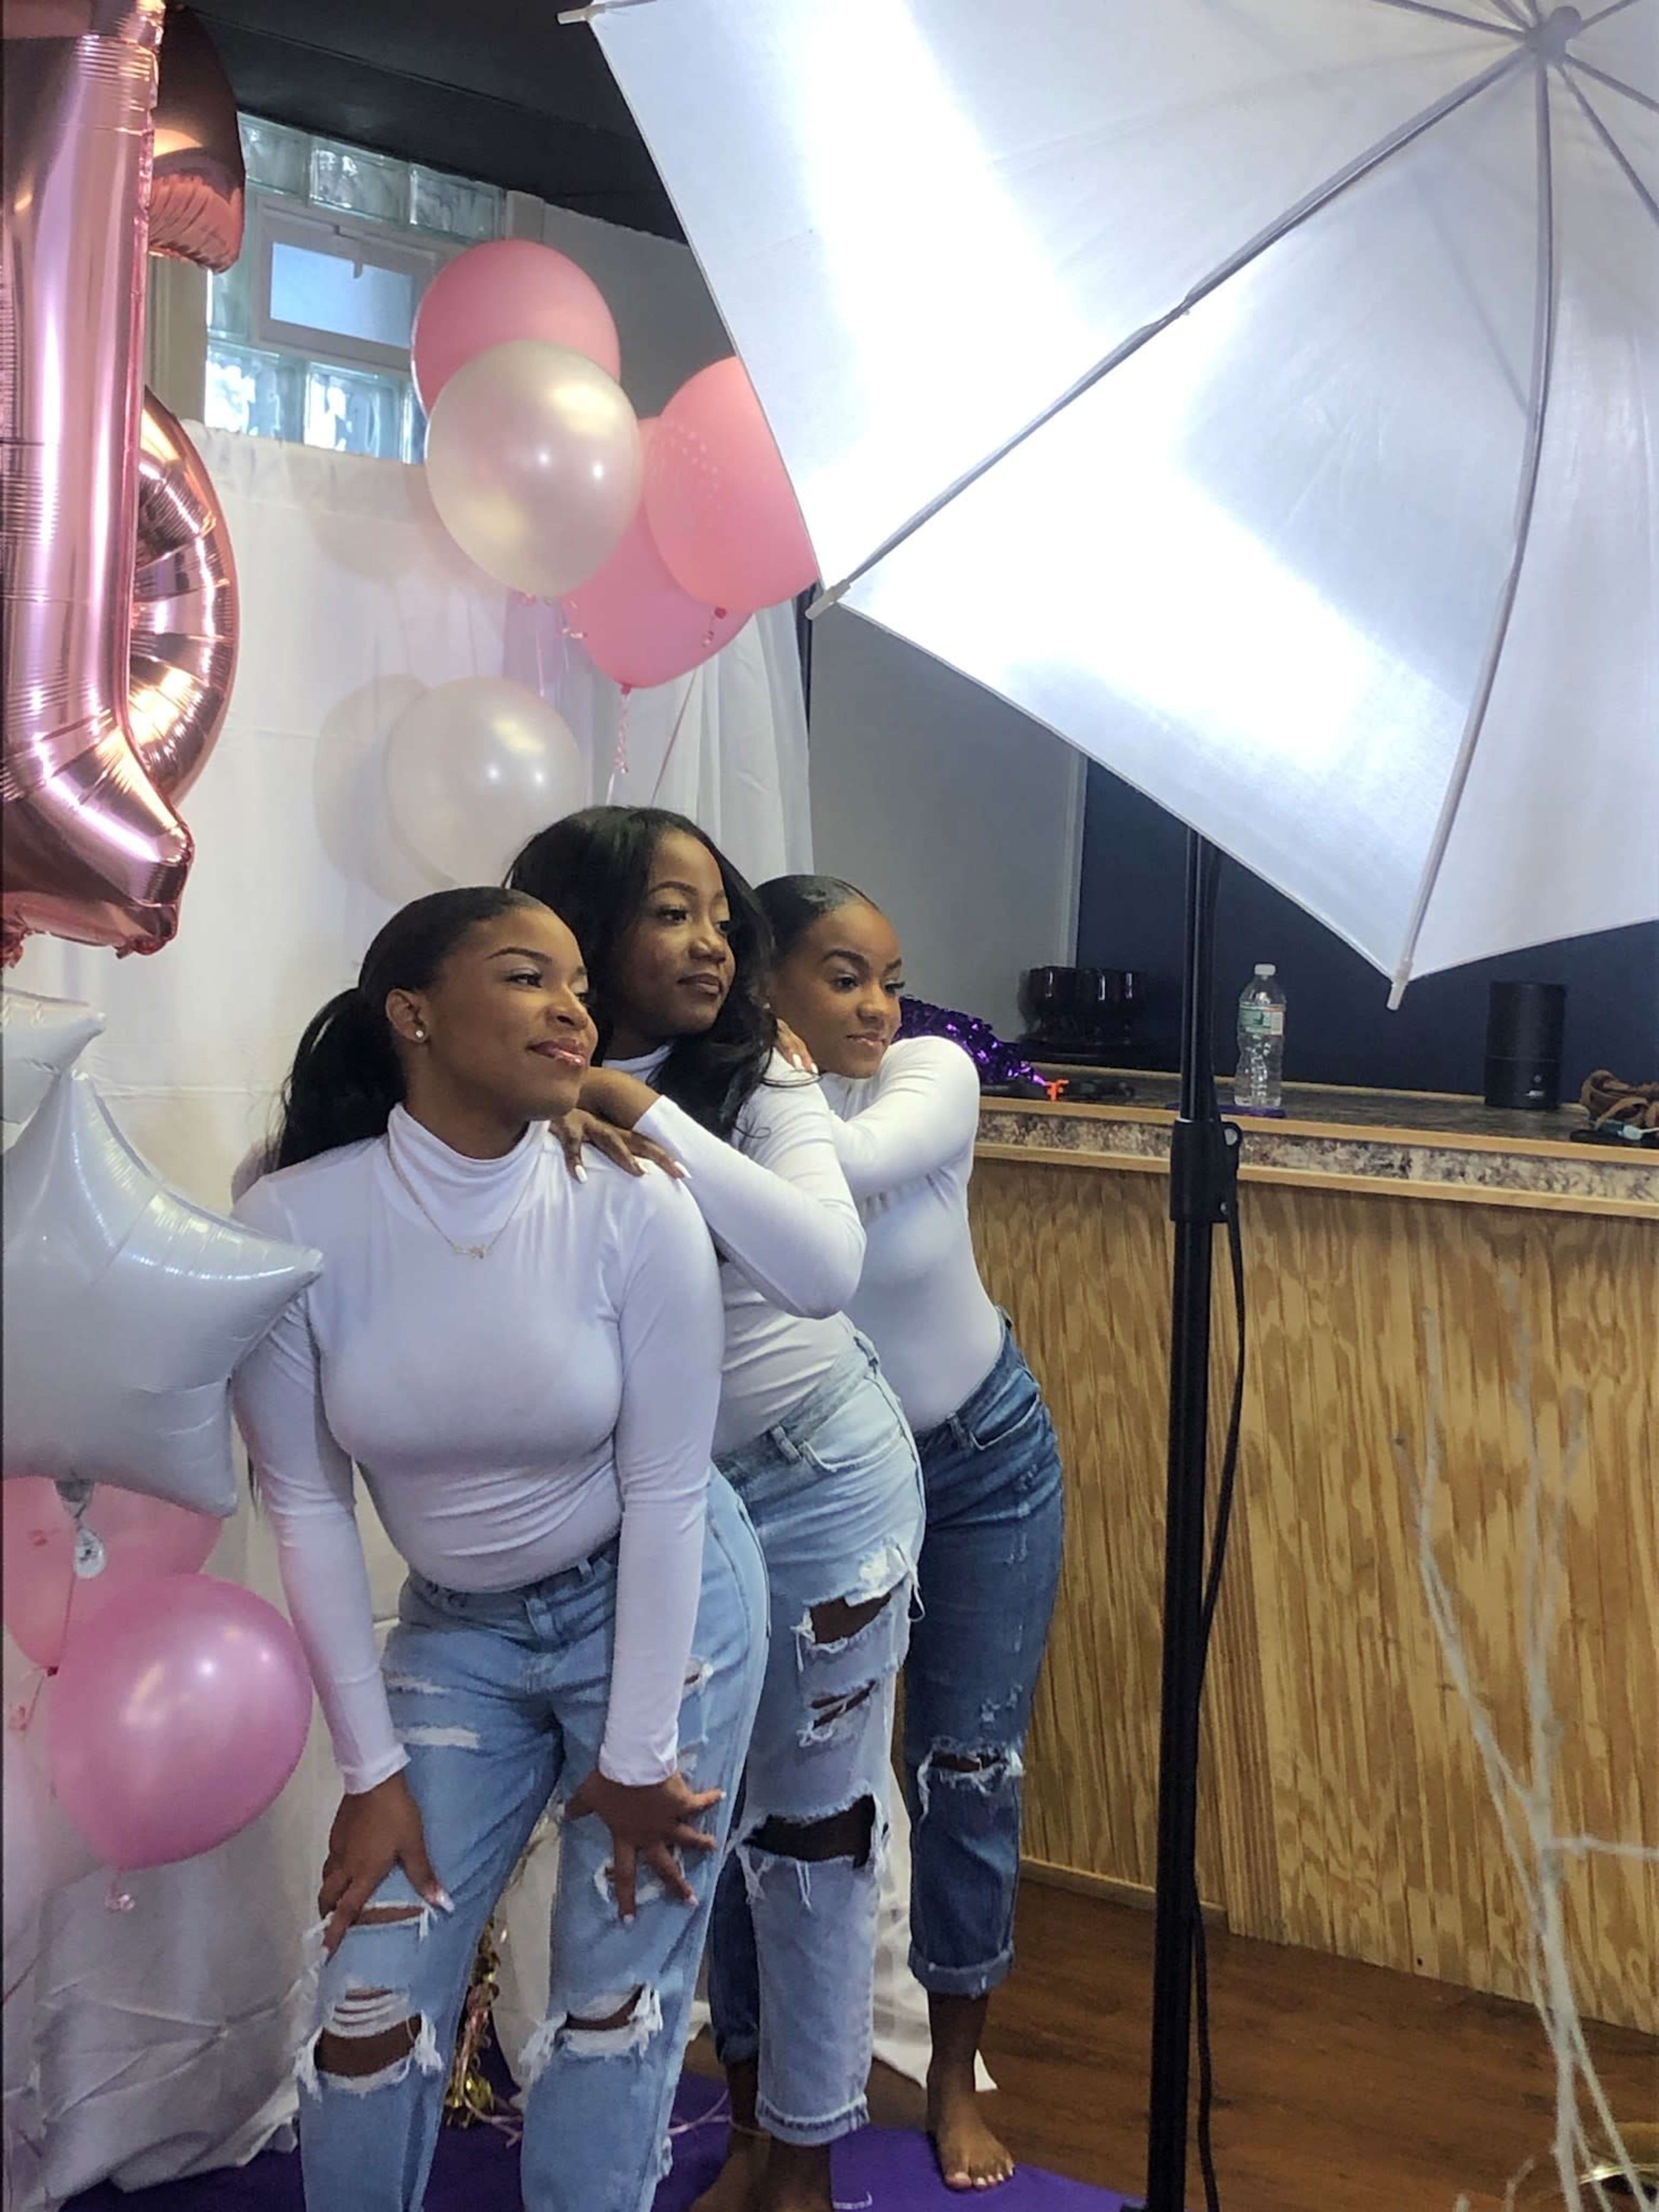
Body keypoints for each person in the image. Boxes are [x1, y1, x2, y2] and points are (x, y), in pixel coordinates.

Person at [231, 886, 766, 2212]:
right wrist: (371, 1774)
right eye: (529, 978)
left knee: (612, 2005)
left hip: (660, 1603)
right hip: (458, 1631)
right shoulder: (292, 1222)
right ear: (412, 1015)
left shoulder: (633, 1204)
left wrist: (637, 1757)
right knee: (366, 2007)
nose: (573, 1008)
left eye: (580, 983)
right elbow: (305, 1505)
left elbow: (667, 1490)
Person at [507, 810, 925, 2212]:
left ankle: (799, 2159)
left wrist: (640, 1112)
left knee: (810, 1837)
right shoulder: (511, 1077)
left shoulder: (759, 1075)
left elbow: (819, 1267)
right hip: (654, 1505)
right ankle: (740, 2128)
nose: (710, 946)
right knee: (685, 1829)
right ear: (581, 928)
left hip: (817, 1482)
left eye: (721, 919)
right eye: (668, 913)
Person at [756, 874, 1066, 2193]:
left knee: (967, 1771)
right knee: (795, 1795)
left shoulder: (930, 1075)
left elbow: (847, 1169)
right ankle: (778, 2107)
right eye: (843, 979)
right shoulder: (735, 1113)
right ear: (766, 982)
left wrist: (736, 1089)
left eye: (889, 977)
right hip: (823, 1480)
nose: (881, 1005)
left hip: (984, 1463)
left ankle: (950, 2075)